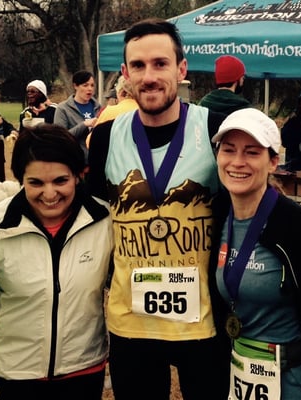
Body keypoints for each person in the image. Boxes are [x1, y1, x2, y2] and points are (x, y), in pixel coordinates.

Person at [87, 18, 230, 400]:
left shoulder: (215, 129)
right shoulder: (104, 136)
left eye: (160, 63)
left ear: (182, 69)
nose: (148, 76)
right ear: (125, 74)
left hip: (202, 324)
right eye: (138, 66)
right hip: (131, 323)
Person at [0, 124, 114, 399]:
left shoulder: (105, 221)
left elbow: (124, 291)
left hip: (84, 371)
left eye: (60, 181)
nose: (49, 195)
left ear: (78, 175)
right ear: (20, 178)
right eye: (35, 183)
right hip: (13, 374)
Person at [210, 108, 301, 400]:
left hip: (292, 382)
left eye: (251, 152)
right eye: (228, 150)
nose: (237, 162)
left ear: (273, 161)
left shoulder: (299, 225)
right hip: (239, 375)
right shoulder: (217, 216)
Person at [54, 70, 101, 164]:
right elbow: (59, 138)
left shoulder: (98, 107)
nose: (90, 89)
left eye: (92, 85)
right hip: (74, 163)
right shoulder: (63, 109)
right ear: (75, 86)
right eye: (85, 85)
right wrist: (83, 125)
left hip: (97, 163)